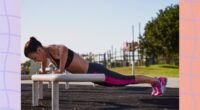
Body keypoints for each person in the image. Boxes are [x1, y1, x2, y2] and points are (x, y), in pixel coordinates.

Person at [24, 37, 167, 96]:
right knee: (122, 81)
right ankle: (157, 81)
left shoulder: (55, 49)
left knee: (126, 80)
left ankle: (156, 81)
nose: (36, 61)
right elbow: (43, 65)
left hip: (95, 70)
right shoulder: (46, 55)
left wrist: (61, 69)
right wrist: (42, 71)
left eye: (35, 58)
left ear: (39, 50)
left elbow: (65, 49)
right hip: (92, 75)